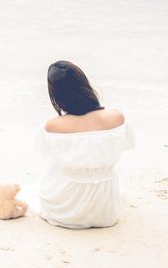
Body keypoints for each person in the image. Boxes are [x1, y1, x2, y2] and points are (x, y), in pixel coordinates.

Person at [29, 60, 135, 229]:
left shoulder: (53, 126)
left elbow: (47, 156)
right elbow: (127, 145)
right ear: (85, 84)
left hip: (64, 209)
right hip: (106, 211)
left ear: (56, 95)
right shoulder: (117, 118)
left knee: (51, 174)